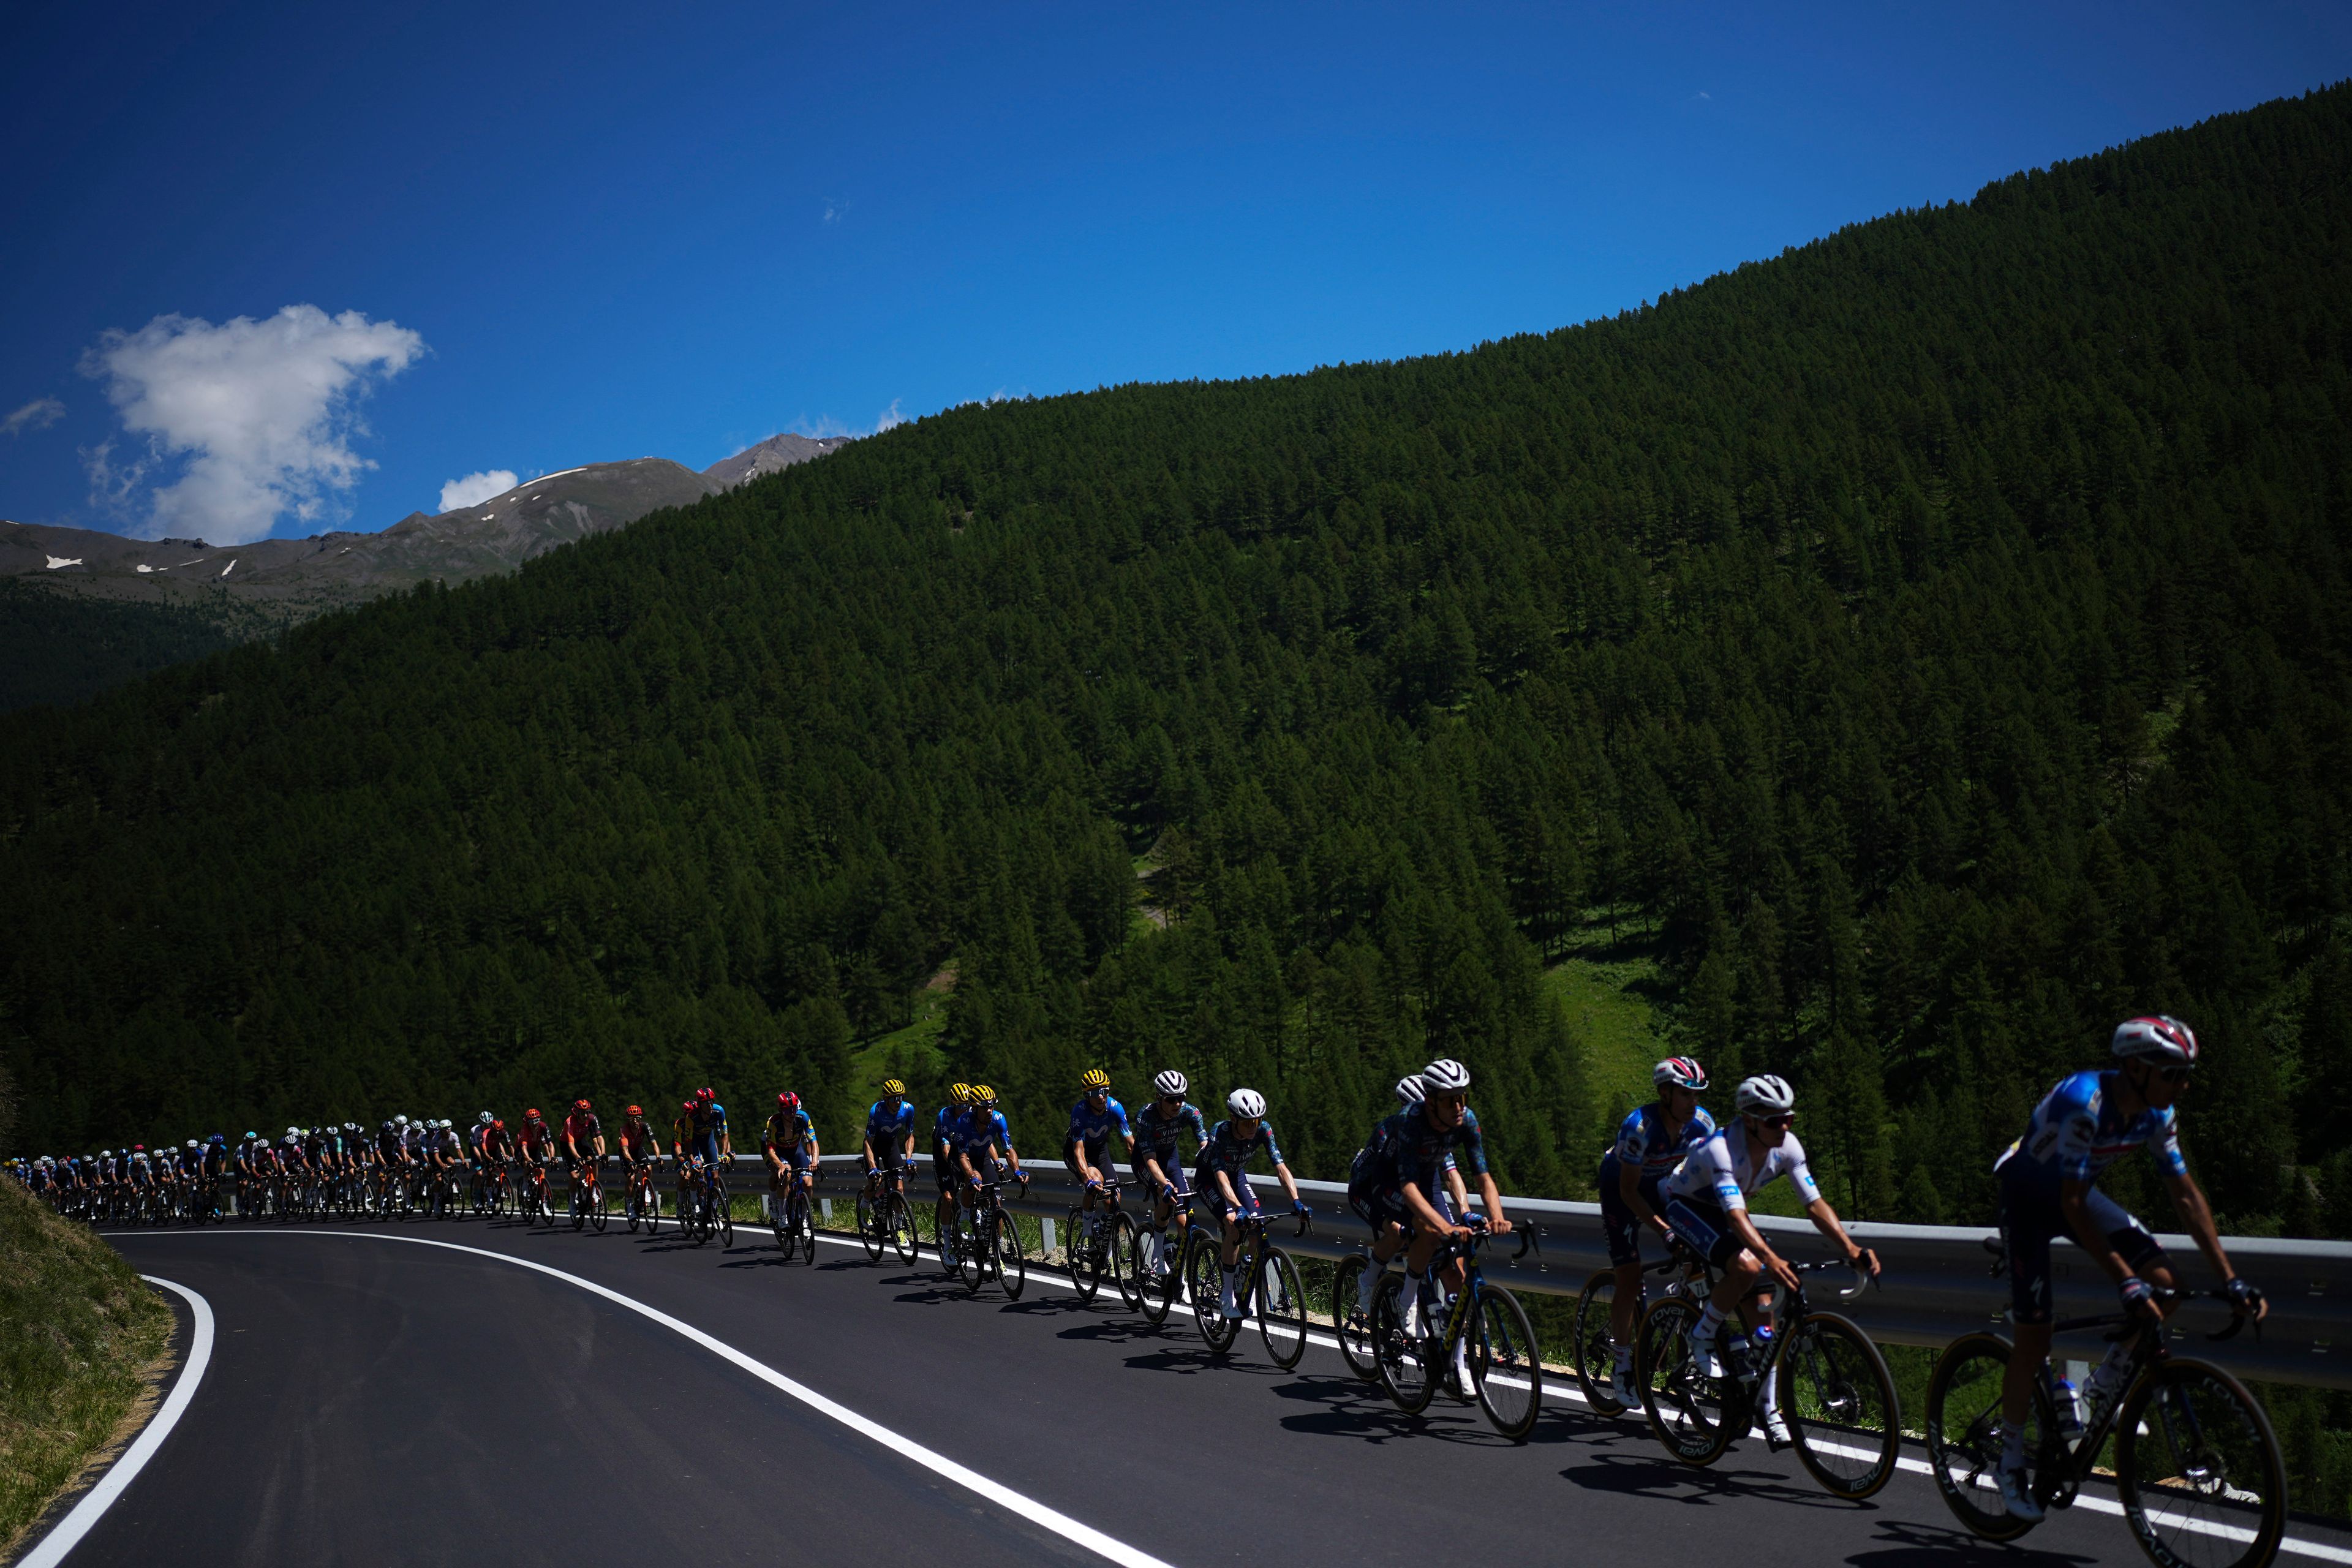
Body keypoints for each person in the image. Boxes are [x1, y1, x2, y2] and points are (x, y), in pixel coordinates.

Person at [1986, 1016, 2265, 1521]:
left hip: (2075, 1193)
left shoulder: (2158, 1115)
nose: (2182, 1085)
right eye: (2173, 1074)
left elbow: (2184, 1194)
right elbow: (2069, 1205)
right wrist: (2124, 1279)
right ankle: (2007, 1461)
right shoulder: (2084, 1103)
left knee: (2169, 1290)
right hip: (2029, 1198)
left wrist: (2229, 1277)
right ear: (2136, 1067)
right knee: (2035, 1340)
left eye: (2186, 1075)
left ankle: (2102, 1388)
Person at [1659, 1073, 1880, 1447]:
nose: (1784, 1127)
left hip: (1727, 1211)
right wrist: (1770, 1259)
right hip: (1687, 1206)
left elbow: (1814, 1203)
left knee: (1765, 1310)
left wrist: (1851, 1249)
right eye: (1775, 1120)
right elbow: (1734, 1217)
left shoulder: (1787, 1146)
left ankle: (1768, 1408)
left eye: (1788, 1119)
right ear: (1749, 1120)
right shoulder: (1722, 1150)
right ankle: (1702, 1333)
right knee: (1748, 1265)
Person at [1598, 1057, 1718, 1405]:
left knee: (1700, 1261)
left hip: (1662, 1185)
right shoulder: (1639, 1127)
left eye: (1697, 1095)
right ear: (1665, 1093)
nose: (1692, 1103)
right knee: (1630, 1278)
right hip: (1622, 1190)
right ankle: (1622, 1364)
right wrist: (1664, 1231)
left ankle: (1685, 1357)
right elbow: (1628, 1192)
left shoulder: (1703, 1124)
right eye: (1685, 1095)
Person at [1344, 1074, 1472, 1325]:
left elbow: (1451, 1174)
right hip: (1369, 1188)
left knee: (1450, 1250)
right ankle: (1368, 1280)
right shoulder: (1389, 1130)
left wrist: (1464, 1211)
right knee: (1399, 1231)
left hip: (1419, 1184)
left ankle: (1454, 1345)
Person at [1194, 1088, 1310, 1319]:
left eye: (1256, 1121)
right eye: (1247, 1123)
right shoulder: (1220, 1132)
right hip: (1210, 1179)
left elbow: (1281, 1168)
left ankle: (1244, 1275)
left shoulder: (1263, 1131)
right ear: (1234, 1119)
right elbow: (1220, 1177)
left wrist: (1296, 1201)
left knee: (1258, 1225)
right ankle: (1227, 1296)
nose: (1253, 1127)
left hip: (1236, 1176)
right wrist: (1237, 1208)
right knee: (1232, 1223)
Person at [1131, 1070, 1208, 1284]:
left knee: (1183, 1221)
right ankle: (1157, 1253)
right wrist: (1164, 1184)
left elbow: (1205, 1146)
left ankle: (1175, 1261)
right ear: (1159, 1098)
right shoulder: (1146, 1117)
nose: (1177, 1104)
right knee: (1165, 1195)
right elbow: (1150, 1161)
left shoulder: (1190, 1113)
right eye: (1171, 1099)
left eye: (1181, 1098)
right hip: (1146, 1161)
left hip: (1171, 1160)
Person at [1063, 1068, 1133, 1245]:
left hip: (1101, 1152)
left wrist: (1144, 1169)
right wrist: (1087, 1179)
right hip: (1078, 1153)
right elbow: (1078, 1151)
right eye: (1095, 1093)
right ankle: (1087, 1232)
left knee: (1114, 1199)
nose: (1101, 1096)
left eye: (1104, 1091)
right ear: (1087, 1095)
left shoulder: (1115, 1108)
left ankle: (1107, 1252)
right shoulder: (1080, 1112)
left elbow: (1131, 1143)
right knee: (1096, 1181)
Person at [762, 1091, 820, 1222]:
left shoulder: (803, 1117)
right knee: (784, 1176)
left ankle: (804, 1219)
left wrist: (814, 1161)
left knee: (808, 1183)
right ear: (781, 1111)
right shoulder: (773, 1122)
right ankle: (782, 1216)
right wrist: (780, 1165)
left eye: (794, 1109)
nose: (792, 1113)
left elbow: (813, 1142)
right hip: (779, 1152)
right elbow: (771, 1151)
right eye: (788, 1111)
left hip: (795, 1151)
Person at [931, 1085, 973, 1255]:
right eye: (960, 1106)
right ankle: (947, 1245)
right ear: (953, 1104)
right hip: (944, 1155)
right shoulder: (945, 1116)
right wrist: (956, 1168)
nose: (964, 1109)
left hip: (963, 1151)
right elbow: (946, 1148)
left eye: (967, 1105)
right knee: (948, 1198)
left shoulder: (972, 1113)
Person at [862, 1079, 915, 1205]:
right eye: (893, 1099)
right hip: (874, 1146)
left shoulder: (908, 1109)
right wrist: (873, 1168)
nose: (897, 1102)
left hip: (891, 1145)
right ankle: (864, 1204)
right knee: (876, 1182)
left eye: (900, 1097)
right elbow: (868, 1142)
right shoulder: (876, 1111)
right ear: (886, 1100)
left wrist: (908, 1159)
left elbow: (909, 1136)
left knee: (899, 1188)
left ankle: (899, 1221)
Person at [562, 1099, 605, 1194]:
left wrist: (603, 1153)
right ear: (577, 1113)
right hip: (567, 1145)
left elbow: (599, 1137)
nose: (585, 1116)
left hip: (581, 1141)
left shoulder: (592, 1118)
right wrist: (578, 1158)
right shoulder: (570, 1122)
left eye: (587, 1112)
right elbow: (571, 1144)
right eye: (582, 1113)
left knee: (593, 1161)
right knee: (574, 1176)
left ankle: (594, 1189)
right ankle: (572, 1202)